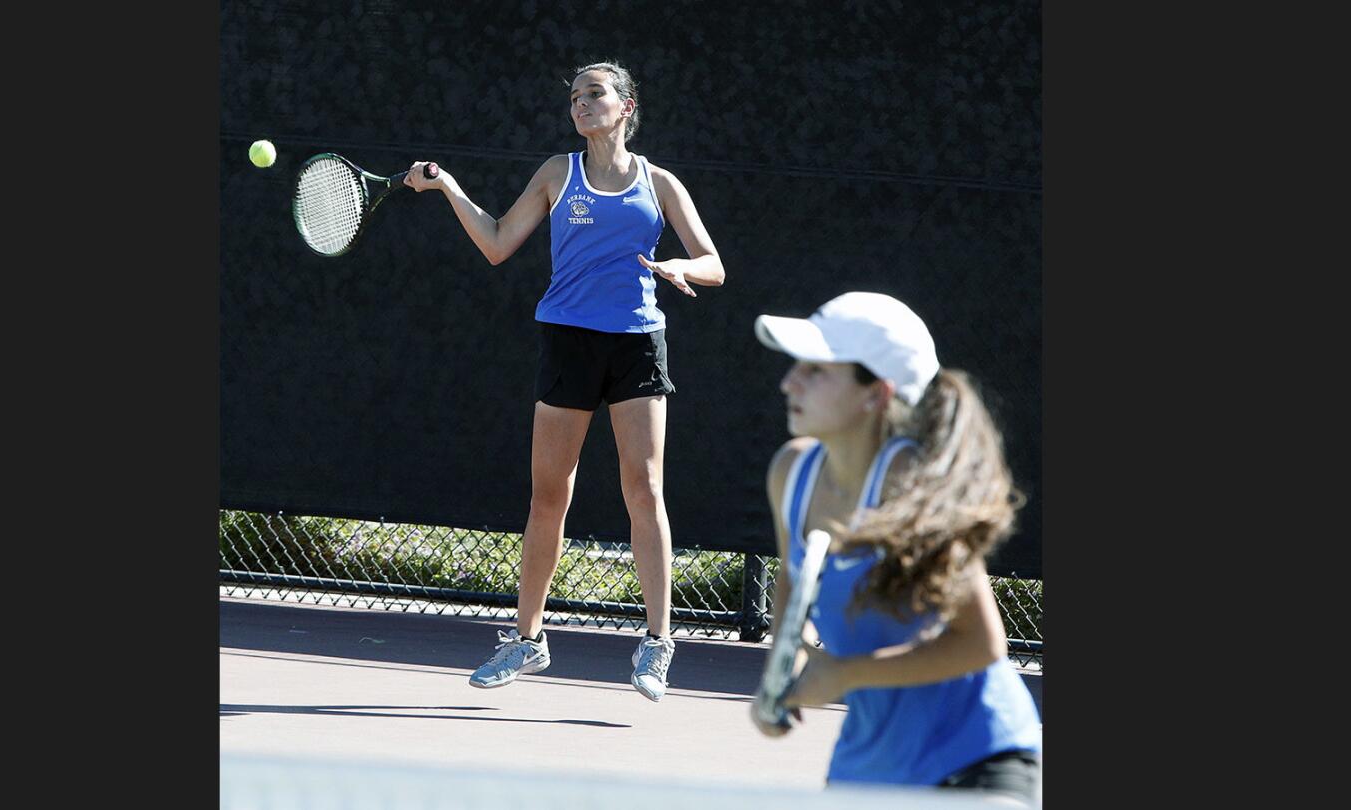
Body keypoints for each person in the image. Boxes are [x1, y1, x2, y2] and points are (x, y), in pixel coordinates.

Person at [402, 60, 724, 702]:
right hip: (568, 343)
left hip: (637, 343)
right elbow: (497, 242)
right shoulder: (557, 173)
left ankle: (658, 643)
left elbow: (715, 265)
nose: (582, 104)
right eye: (576, 96)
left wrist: (677, 265)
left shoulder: (660, 184)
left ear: (626, 105)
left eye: (595, 94)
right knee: (549, 496)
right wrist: (450, 189)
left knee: (645, 488)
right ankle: (528, 640)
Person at [750, 292, 1042, 805]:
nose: (788, 382)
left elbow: (980, 643)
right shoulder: (791, 473)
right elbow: (793, 598)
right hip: (871, 763)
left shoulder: (910, 482)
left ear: (875, 394)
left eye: (817, 371)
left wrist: (841, 675)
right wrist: (782, 677)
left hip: (975, 754)